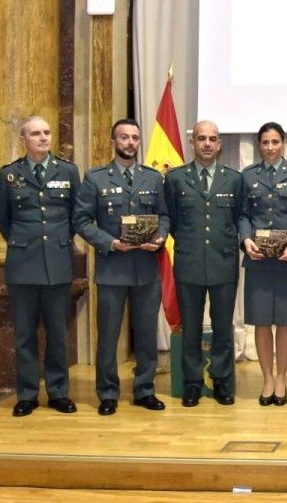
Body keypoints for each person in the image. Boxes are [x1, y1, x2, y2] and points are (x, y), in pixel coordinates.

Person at [73, 118, 169, 415]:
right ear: (113, 142)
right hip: (112, 267)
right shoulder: (95, 178)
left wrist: (161, 238)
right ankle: (108, 393)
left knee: (145, 333)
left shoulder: (153, 178)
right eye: (124, 137)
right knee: (109, 335)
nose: (130, 143)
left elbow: (164, 216)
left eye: (135, 138)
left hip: (145, 268)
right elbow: (81, 221)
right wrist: (109, 242)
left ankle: (144, 389)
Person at [0, 115, 80, 417]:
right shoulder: (9, 175)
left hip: (57, 262)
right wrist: (26, 242)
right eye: (36, 134)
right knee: (25, 333)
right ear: (24, 139)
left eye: (47, 132)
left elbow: (74, 217)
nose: (43, 138)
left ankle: (58, 392)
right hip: (22, 264)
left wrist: (56, 242)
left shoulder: (68, 171)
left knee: (58, 332)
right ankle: (27, 394)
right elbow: (4, 221)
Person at [164, 120, 244, 407]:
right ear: (192, 143)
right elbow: (171, 221)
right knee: (192, 328)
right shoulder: (175, 179)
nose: (207, 144)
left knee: (223, 327)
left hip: (223, 263)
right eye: (201, 138)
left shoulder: (234, 179)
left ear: (220, 144)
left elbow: (238, 219)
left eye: (212, 139)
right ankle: (193, 383)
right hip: (189, 263)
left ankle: (222, 381)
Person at [239, 122, 287, 406]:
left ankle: (281, 377)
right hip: (258, 260)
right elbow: (243, 215)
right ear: (259, 145)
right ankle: (267, 378)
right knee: (262, 322)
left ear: (283, 143)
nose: (270, 147)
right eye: (265, 142)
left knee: (286, 321)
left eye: (275, 142)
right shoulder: (248, 175)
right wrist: (245, 240)